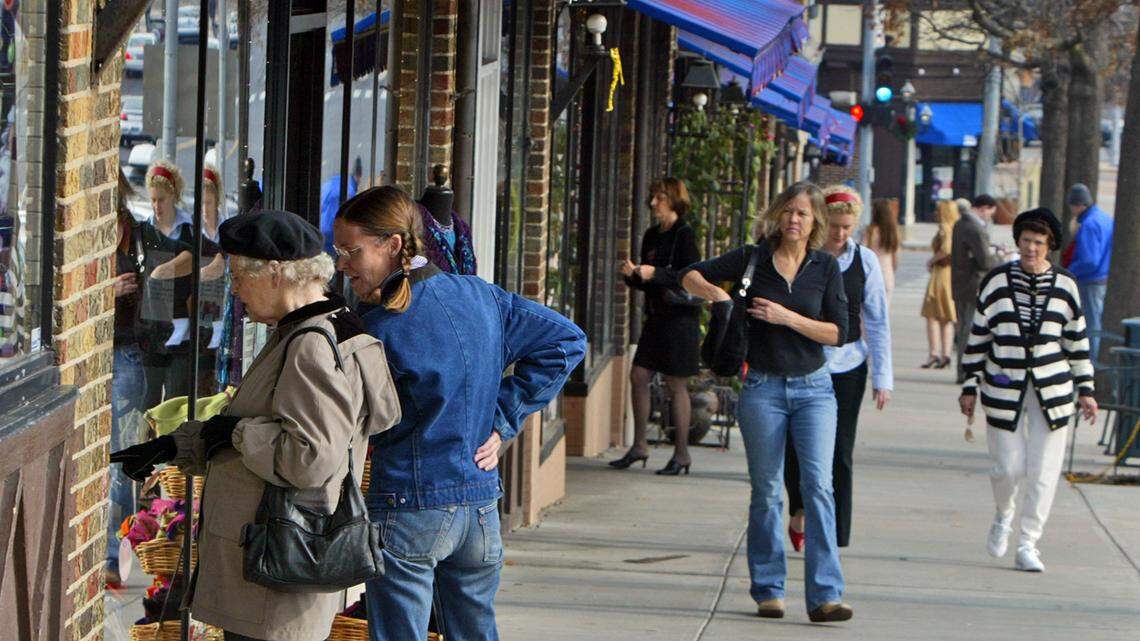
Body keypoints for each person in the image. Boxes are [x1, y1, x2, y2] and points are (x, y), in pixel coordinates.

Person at [111, 210, 402, 641]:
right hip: (278, 579)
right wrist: (180, 446)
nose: (234, 289)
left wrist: (234, 434)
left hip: (275, 580)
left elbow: (309, 458)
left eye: (238, 277)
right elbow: (266, 423)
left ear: (273, 273)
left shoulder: (309, 347)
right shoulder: (325, 326)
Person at [332, 186, 586, 641]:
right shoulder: (478, 295)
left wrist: (502, 418)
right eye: (339, 251)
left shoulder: (375, 327)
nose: (342, 264)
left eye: (352, 251)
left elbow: (567, 342)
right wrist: (502, 419)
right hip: (480, 506)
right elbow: (566, 340)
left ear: (392, 245)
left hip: (410, 505)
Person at [681, 181, 852, 623]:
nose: (794, 220)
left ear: (815, 222)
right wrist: (718, 296)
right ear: (777, 214)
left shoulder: (825, 268)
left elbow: (839, 333)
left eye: (804, 214)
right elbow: (689, 274)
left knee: (818, 487)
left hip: (814, 389)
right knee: (768, 491)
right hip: (762, 389)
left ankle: (825, 595)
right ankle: (769, 589)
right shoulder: (751, 259)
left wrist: (788, 318)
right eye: (789, 211)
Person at [959, 207, 1097, 573]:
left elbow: (1077, 342)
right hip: (1004, 388)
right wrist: (969, 385)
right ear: (1017, 242)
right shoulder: (996, 282)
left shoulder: (1066, 286)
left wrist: (1086, 389)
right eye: (1025, 241)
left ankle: (1028, 542)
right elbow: (978, 338)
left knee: (1043, 471)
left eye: (1038, 242)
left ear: (1049, 246)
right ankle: (1003, 514)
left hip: (1052, 392)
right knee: (1007, 466)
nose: (1031, 248)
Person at [783, 185, 893, 552]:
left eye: (848, 227)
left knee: (839, 451)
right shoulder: (804, 257)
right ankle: (799, 509)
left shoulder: (865, 261)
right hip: (805, 362)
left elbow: (877, 320)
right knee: (796, 448)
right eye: (835, 226)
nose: (841, 234)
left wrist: (883, 377)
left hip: (849, 365)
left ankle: (834, 534)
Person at [611, 177, 702, 475]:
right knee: (638, 375)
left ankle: (683, 454)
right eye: (652, 197)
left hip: (680, 320)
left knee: (676, 384)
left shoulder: (684, 235)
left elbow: (691, 278)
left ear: (674, 200)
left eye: (660, 198)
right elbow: (647, 283)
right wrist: (633, 275)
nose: (653, 203)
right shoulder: (652, 235)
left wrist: (655, 273)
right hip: (657, 316)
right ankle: (639, 445)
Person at [106, 171, 147, 589]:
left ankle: (108, 557)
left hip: (128, 354)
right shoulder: (98, 234)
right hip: (107, 355)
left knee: (119, 463)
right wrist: (106, 292)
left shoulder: (137, 234)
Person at [951, 194, 999, 384]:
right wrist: (999, 257)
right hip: (973, 284)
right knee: (969, 329)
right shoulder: (974, 228)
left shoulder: (960, 224)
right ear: (984, 208)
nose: (989, 217)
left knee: (963, 327)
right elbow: (985, 261)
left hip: (961, 284)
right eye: (990, 213)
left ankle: (964, 369)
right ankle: (965, 370)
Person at [1066, 183, 1114, 360]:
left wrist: (1069, 271)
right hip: (1103, 278)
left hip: (1090, 281)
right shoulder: (1105, 218)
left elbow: (1089, 260)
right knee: (1096, 322)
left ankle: (1091, 365)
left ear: (1077, 205)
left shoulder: (1088, 224)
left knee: (1092, 326)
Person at [920, 199, 958, 369]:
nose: (935, 214)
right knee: (946, 317)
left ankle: (934, 353)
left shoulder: (945, 228)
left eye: (938, 211)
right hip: (949, 274)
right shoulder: (956, 228)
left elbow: (946, 249)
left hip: (941, 274)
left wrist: (931, 260)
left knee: (932, 314)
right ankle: (946, 353)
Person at [320, 157, 363, 255]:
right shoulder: (349, 191)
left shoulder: (330, 183)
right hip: (332, 234)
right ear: (359, 176)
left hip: (321, 229)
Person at [862, 198, 900, 304]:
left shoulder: (870, 231)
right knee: (884, 312)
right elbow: (895, 258)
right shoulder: (893, 232)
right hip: (887, 275)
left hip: (871, 275)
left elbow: (863, 253)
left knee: (868, 313)